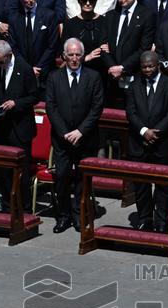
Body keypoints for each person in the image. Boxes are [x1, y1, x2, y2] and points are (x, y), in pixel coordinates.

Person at [44, 37, 105, 234]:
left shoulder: (93, 77)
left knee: (81, 179)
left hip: (85, 138)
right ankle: (63, 216)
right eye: (70, 55)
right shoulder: (54, 77)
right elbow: (51, 107)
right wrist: (65, 133)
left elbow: (97, 108)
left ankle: (79, 216)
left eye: (78, 54)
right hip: (62, 139)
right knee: (61, 177)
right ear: (64, 56)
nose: (74, 59)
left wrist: (80, 131)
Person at [125, 51, 168, 232]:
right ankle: (144, 218)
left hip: (162, 142)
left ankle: (162, 221)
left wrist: (155, 132)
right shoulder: (134, 86)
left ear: (158, 66)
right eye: (144, 67)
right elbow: (131, 112)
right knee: (141, 184)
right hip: (139, 142)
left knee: (162, 186)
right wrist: (144, 131)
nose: (148, 70)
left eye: (151, 66)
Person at [0, 39, 38, 210]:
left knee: (21, 171)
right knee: (4, 169)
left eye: (1, 61)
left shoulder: (24, 69)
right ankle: (7, 205)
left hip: (20, 128)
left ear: (9, 56)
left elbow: (34, 97)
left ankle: (22, 207)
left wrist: (16, 103)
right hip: (2, 125)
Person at [100, 0, 155, 106]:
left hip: (134, 76)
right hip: (111, 78)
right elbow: (103, 46)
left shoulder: (146, 15)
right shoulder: (110, 15)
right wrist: (113, 67)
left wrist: (122, 68)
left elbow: (144, 48)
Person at [8, 0, 60, 81]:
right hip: (22, 75)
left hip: (44, 73)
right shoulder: (14, 18)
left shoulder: (49, 15)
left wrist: (39, 67)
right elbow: (14, 47)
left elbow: (53, 45)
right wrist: (28, 69)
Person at [63, 0, 107, 76]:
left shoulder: (105, 22)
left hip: (102, 71)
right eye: (84, 1)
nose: (87, 3)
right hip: (79, 72)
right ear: (79, 1)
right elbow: (63, 51)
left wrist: (110, 47)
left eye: (91, 1)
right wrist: (84, 58)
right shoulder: (70, 24)